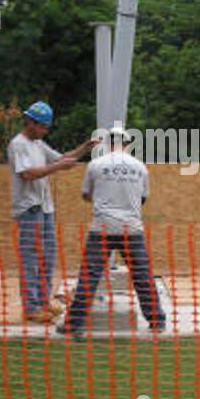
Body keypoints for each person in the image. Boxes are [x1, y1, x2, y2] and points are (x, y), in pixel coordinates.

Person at [57, 123, 166, 339]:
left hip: (102, 228)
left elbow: (86, 195)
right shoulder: (140, 167)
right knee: (142, 276)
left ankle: (74, 324)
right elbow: (142, 198)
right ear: (126, 144)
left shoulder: (95, 165)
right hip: (131, 229)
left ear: (108, 145)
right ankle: (157, 321)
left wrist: (103, 200)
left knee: (89, 277)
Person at [8, 101, 95, 325]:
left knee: (47, 257)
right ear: (31, 122)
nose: (46, 131)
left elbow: (59, 158)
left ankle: (43, 302)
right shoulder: (19, 145)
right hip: (29, 209)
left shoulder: (38, 144)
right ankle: (32, 307)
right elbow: (27, 174)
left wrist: (84, 148)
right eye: (43, 127)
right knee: (30, 258)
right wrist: (59, 167)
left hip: (45, 208)